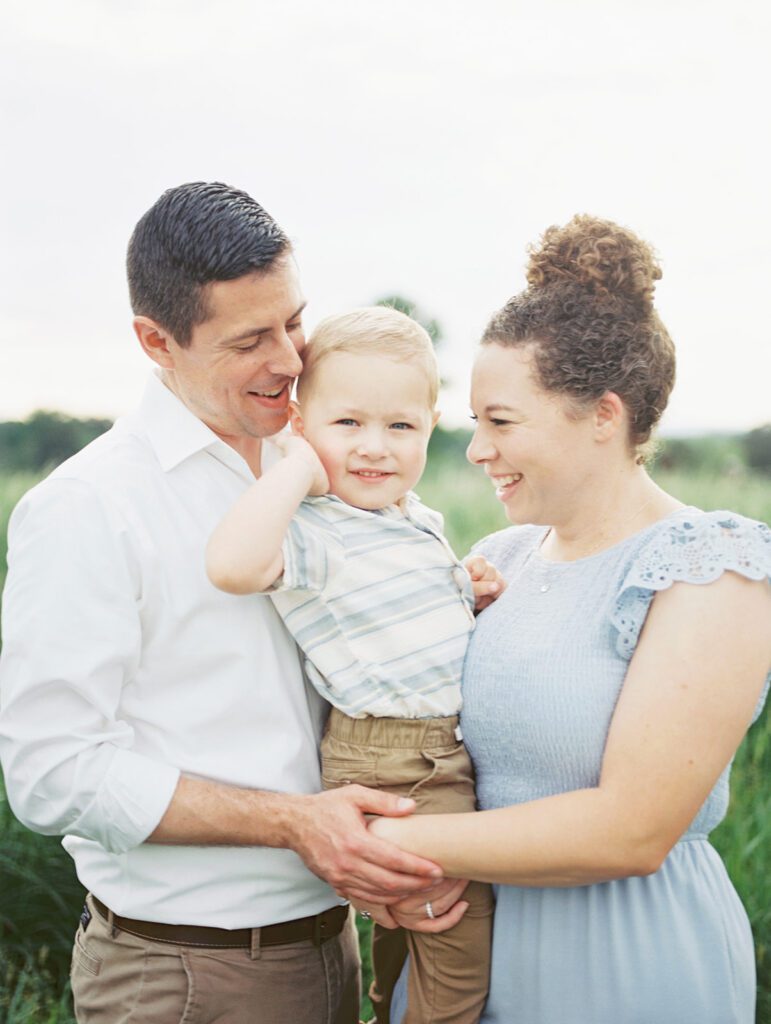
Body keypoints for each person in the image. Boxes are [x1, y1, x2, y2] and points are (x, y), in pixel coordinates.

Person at [0, 182, 453, 1024]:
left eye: (293, 320)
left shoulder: (322, 453)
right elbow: (49, 772)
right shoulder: (89, 506)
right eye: (250, 339)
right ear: (155, 342)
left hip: (337, 943)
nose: (288, 358)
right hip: (184, 972)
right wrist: (293, 824)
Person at [365, 215, 771, 1024]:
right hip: (462, 956)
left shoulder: (712, 567)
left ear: (603, 416)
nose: (477, 449)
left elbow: (630, 831)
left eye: (501, 421)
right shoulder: (502, 558)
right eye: (474, 421)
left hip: (621, 966)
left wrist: (378, 850)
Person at [206, 306, 498, 1024]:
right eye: (346, 425)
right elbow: (232, 566)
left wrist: (469, 594)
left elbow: (398, 620)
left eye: (400, 427)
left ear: (431, 427)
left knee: (411, 934)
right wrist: (300, 467)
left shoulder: (410, 517)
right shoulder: (317, 528)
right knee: (461, 937)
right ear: (302, 424)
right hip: (399, 759)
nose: (375, 448)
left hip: (438, 750)